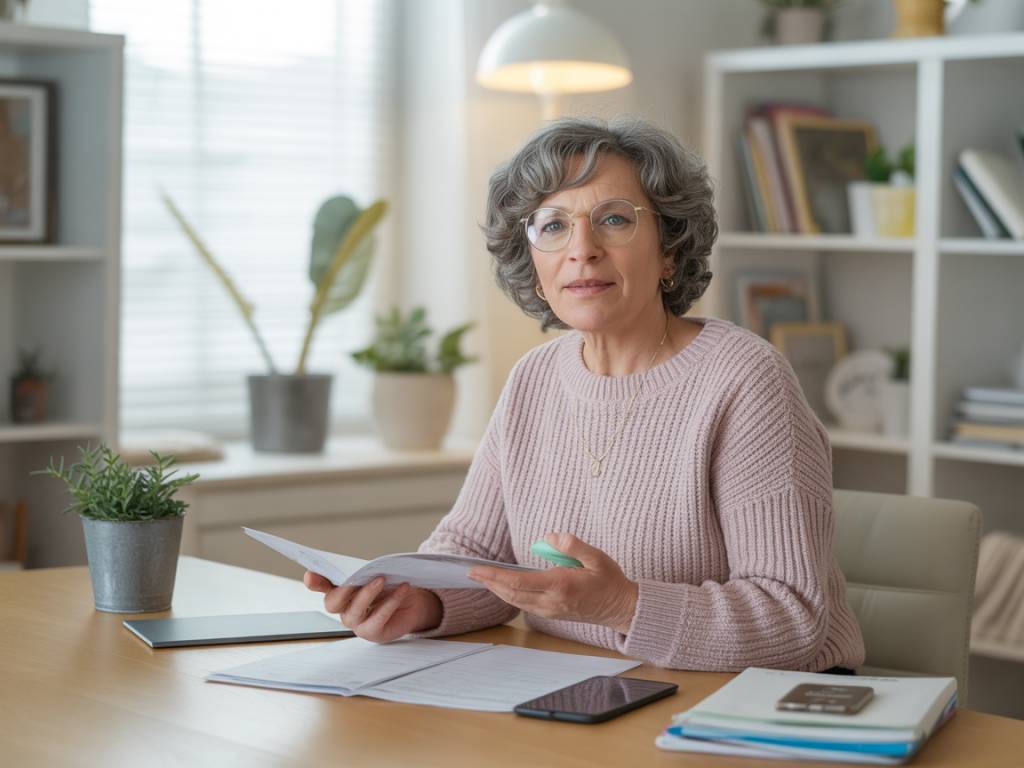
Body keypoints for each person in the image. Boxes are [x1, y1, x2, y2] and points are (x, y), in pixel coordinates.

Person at [305, 116, 865, 672]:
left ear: (670, 250)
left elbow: (791, 618)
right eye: (553, 226)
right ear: (532, 259)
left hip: (752, 708)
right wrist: (420, 603)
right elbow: (480, 561)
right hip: (587, 680)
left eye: (614, 220)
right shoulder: (535, 378)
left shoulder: (744, 379)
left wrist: (623, 605)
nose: (582, 250)